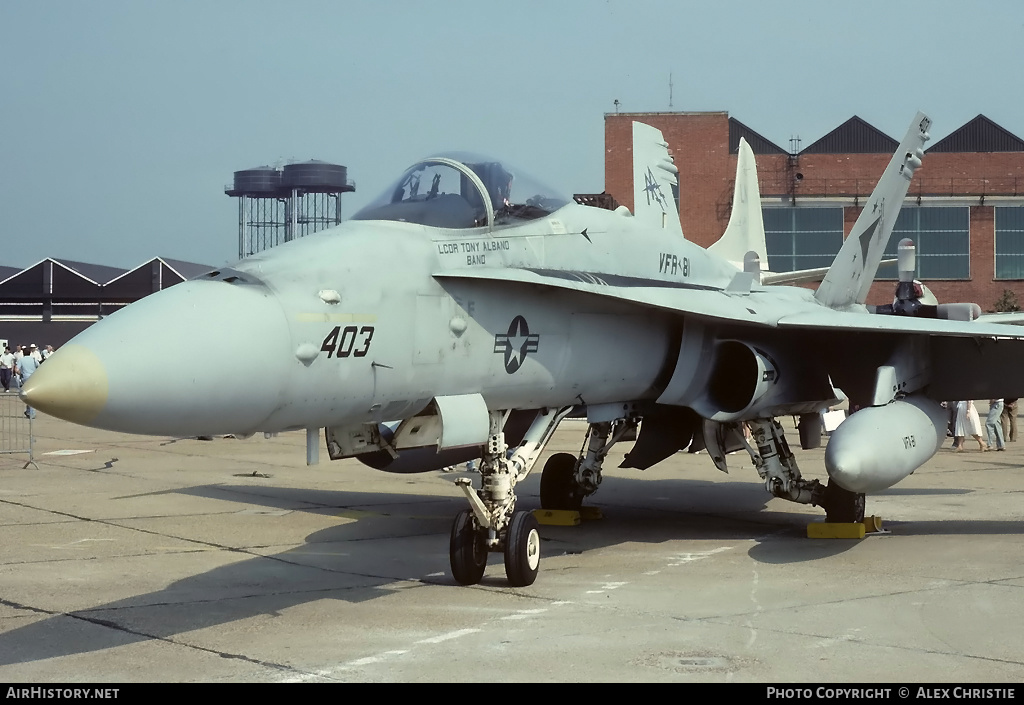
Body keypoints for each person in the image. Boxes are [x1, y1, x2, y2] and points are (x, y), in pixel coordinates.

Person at [16, 350, 39, 419]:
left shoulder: (21, 360)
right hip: (33, 377)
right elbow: (39, 366)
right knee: (31, 394)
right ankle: (29, 411)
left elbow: (16, 370)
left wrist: (21, 374)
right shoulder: (34, 359)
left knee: (28, 394)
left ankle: (31, 412)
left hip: (25, 378)